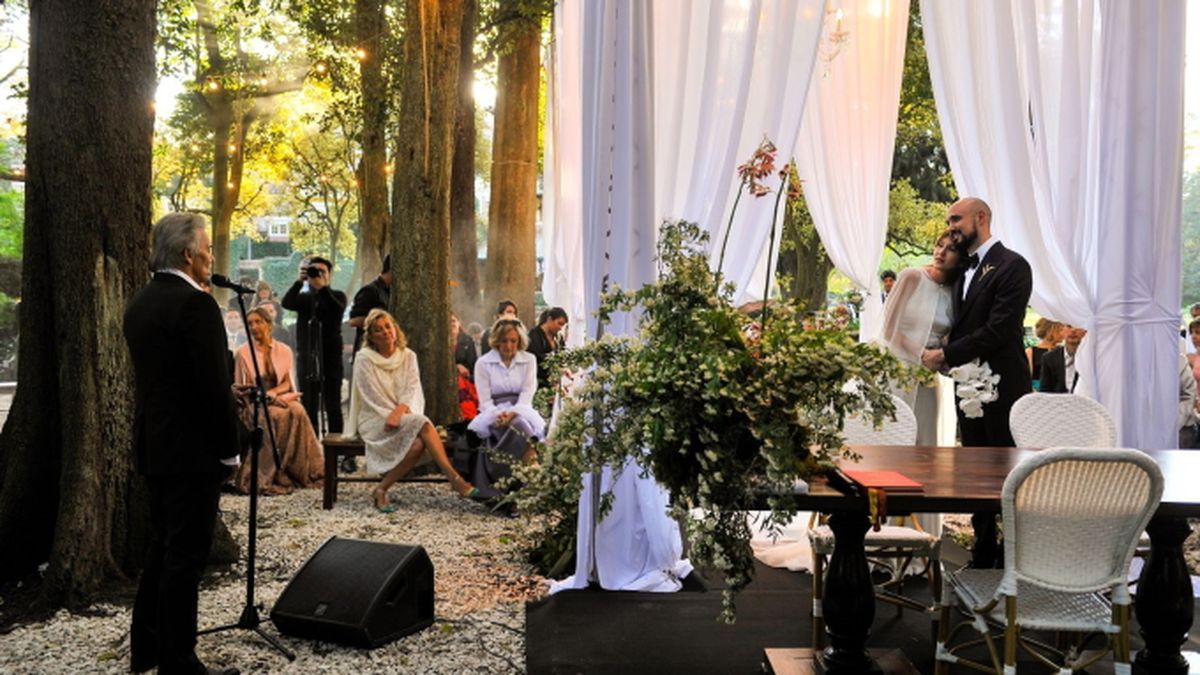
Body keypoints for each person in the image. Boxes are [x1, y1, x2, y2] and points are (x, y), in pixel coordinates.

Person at [124, 213, 240, 675]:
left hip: (155, 444)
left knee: (161, 548)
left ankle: (146, 649)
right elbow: (213, 387)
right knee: (186, 557)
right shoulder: (196, 306)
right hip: (193, 451)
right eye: (208, 248)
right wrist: (229, 449)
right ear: (189, 254)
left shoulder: (142, 303)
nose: (212, 255)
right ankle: (180, 660)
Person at [922, 197, 1032, 569]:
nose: (951, 225)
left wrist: (947, 354)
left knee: (1004, 471)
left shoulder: (1012, 266)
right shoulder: (961, 269)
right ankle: (983, 551)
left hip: (1003, 387)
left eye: (956, 218)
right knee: (973, 472)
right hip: (967, 387)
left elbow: (998, 329)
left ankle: (1014, 556)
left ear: (981, 217)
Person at [346, 309, 479, 511]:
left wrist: (400, 413)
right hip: (374, 418)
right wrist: (395, 415)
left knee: (417, 445)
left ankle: (381, 490)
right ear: (371, 336)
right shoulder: (364, 358)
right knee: (422, 422)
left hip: (402, 416)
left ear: (395, 328)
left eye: (388, 326)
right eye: (378, 330)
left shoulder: (408, 356)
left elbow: (411, 389)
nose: (385, 332)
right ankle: (455, 479)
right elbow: (370, 395)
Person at [876, 230, 967, 445]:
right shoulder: (912, 276)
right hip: (898, 368)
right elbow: (888, 329)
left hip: (928, 374)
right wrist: (922, 353)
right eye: (939, 245)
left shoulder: (955, 289)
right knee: (895, 436)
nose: (941, 252)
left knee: (925, 440)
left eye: (951, 249)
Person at [232, 306, 324, 495]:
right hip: (254, 402)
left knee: (297, 410)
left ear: (268, 324)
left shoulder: (284, 350)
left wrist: (274, 394)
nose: (254, 327)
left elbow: (287, 382)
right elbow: (243, 389)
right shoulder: (243, 353)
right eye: (250, 323)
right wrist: (266, 398)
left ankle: (303, 470)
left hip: (280, 396)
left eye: (258, 322)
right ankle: (268, 474)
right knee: (271, 416)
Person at [469, 317, 545, 498]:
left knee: (520, 424)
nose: (509, 346)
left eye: (513, 341)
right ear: (496, 341)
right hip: (494, 412)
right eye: (504, 341)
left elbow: (528, 393)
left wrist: (513, 413)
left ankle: (522, 486)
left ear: (520, 342)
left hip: (521, 408)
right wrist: (500, 414)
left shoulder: (529, 360)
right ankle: (524, 480)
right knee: (521, 428)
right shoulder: (483, 363)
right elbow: (484, 400)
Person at [281, 256, 346, 436]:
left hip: (330, 359)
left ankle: (335, 448)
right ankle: (311, 447)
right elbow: (287, 303)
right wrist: (298, 282)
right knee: (309, 405)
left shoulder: (337, 296)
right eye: (313, 271)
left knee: (333, 404)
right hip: (307, 358)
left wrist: (322, 288)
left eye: (322, 271)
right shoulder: (303, 298)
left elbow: (336, 309)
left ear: (329, 275)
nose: (317, 274)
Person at [348, 254, 393, 354]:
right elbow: (353, 321)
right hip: (369, 351)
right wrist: (381, 324)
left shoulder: (390, 292)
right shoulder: (370, 290)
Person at [527, 307, 569, 388]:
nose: (560, 328)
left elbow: (563, 355)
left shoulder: (559, 337)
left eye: (562, 325)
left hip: (554, 381)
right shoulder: (534, 335)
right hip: (538, 381)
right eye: (559, 323)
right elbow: (537, 356)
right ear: (549, 319)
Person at [1040, 325, 1086, 394]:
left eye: (1077, 326)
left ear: (1085, 331)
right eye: (1069, 326)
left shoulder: (1091, 358)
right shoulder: (1049, 358)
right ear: (1061, 330)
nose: (1073, 330)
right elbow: (1044, 392)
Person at [1025, 317, 1063, 391]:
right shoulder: (1030, 352)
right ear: (1051, 331)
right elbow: (1027, 379)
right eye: (1060, 330)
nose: (1063, 333)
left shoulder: (1063, 350)